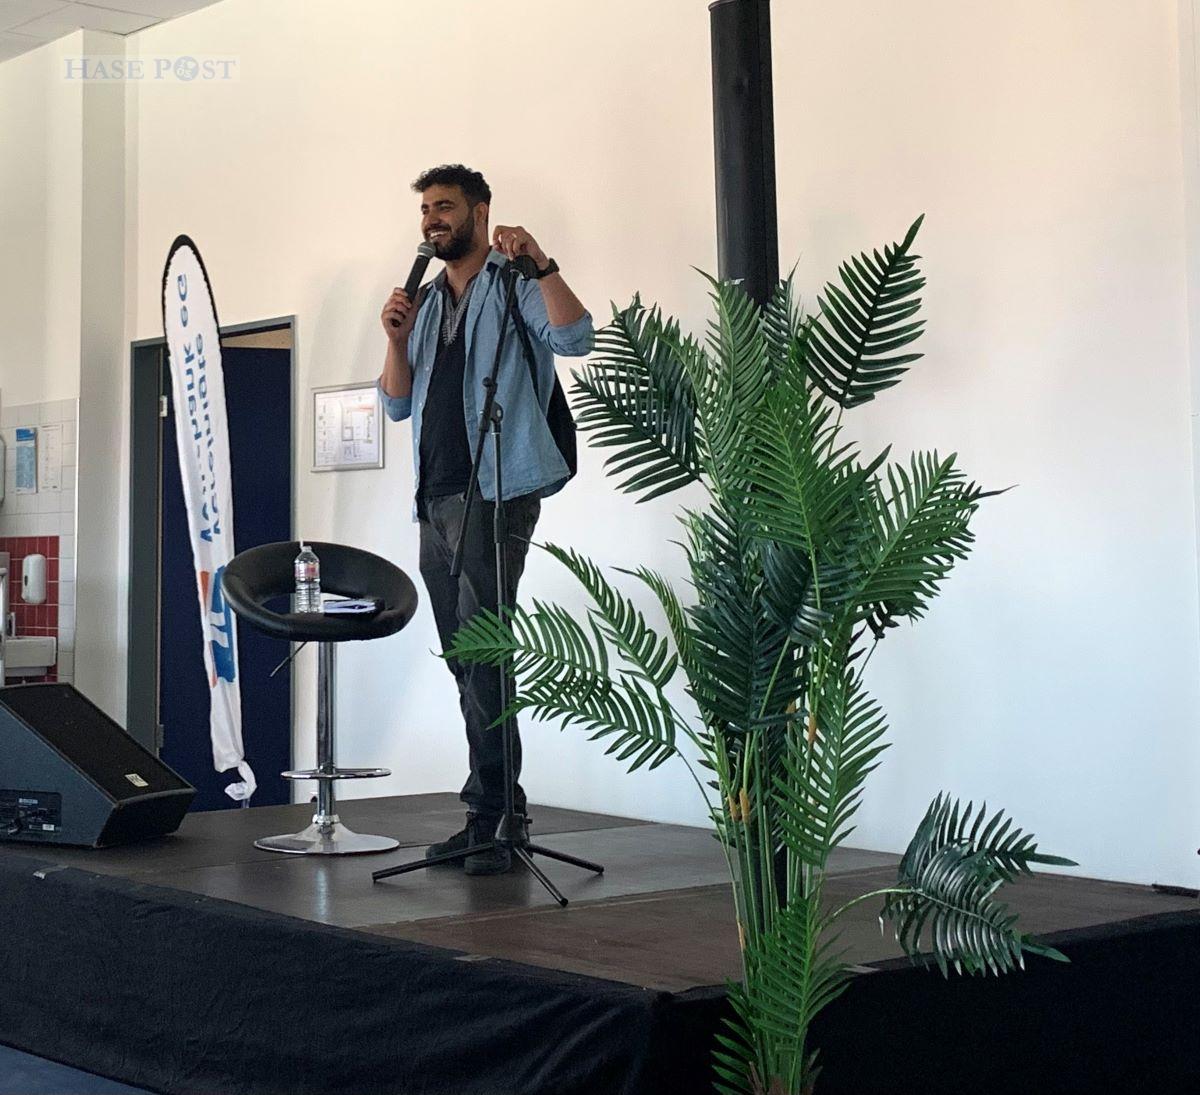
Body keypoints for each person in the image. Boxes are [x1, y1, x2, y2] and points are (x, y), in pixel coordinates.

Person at [378, 164, 593, 875]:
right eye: (426, 211)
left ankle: (495, 817)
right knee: (465, 658)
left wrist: (542, 261)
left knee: (485, 652)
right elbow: (397, 404)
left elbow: (575, 339)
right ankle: (494, 813)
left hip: (497, 491)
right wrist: (395, 339)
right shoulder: (431, 299)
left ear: (480, 210)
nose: (432, 220)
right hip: (435, 499)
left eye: (445, 207)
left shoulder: (513, 280)